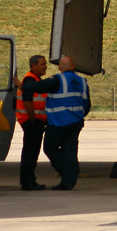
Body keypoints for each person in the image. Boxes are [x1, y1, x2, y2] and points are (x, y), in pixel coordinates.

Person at [17, 55, 91, 190]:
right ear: (73, 67)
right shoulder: (82, 82)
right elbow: (87, 105)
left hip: (59, 122)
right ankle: (68, 181)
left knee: (50, 147)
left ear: (59, 67)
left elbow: (38, 87)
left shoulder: (58, 80)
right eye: (42, 64)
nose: (45, 66)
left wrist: (22, 86)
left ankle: (68, 174)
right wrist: (78, 115)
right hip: (76, 122)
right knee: (70, 150)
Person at [16, 55, 49, 190]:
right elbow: (27, 100)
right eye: (42, 64)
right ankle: (28, 181)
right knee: (31, 151)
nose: (45, 66)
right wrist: (33, 118)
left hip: (33, 121)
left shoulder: (33, 80)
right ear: (33, 66)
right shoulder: (30, 80)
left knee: (31, 151)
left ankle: (29, 180)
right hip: (32, 121)